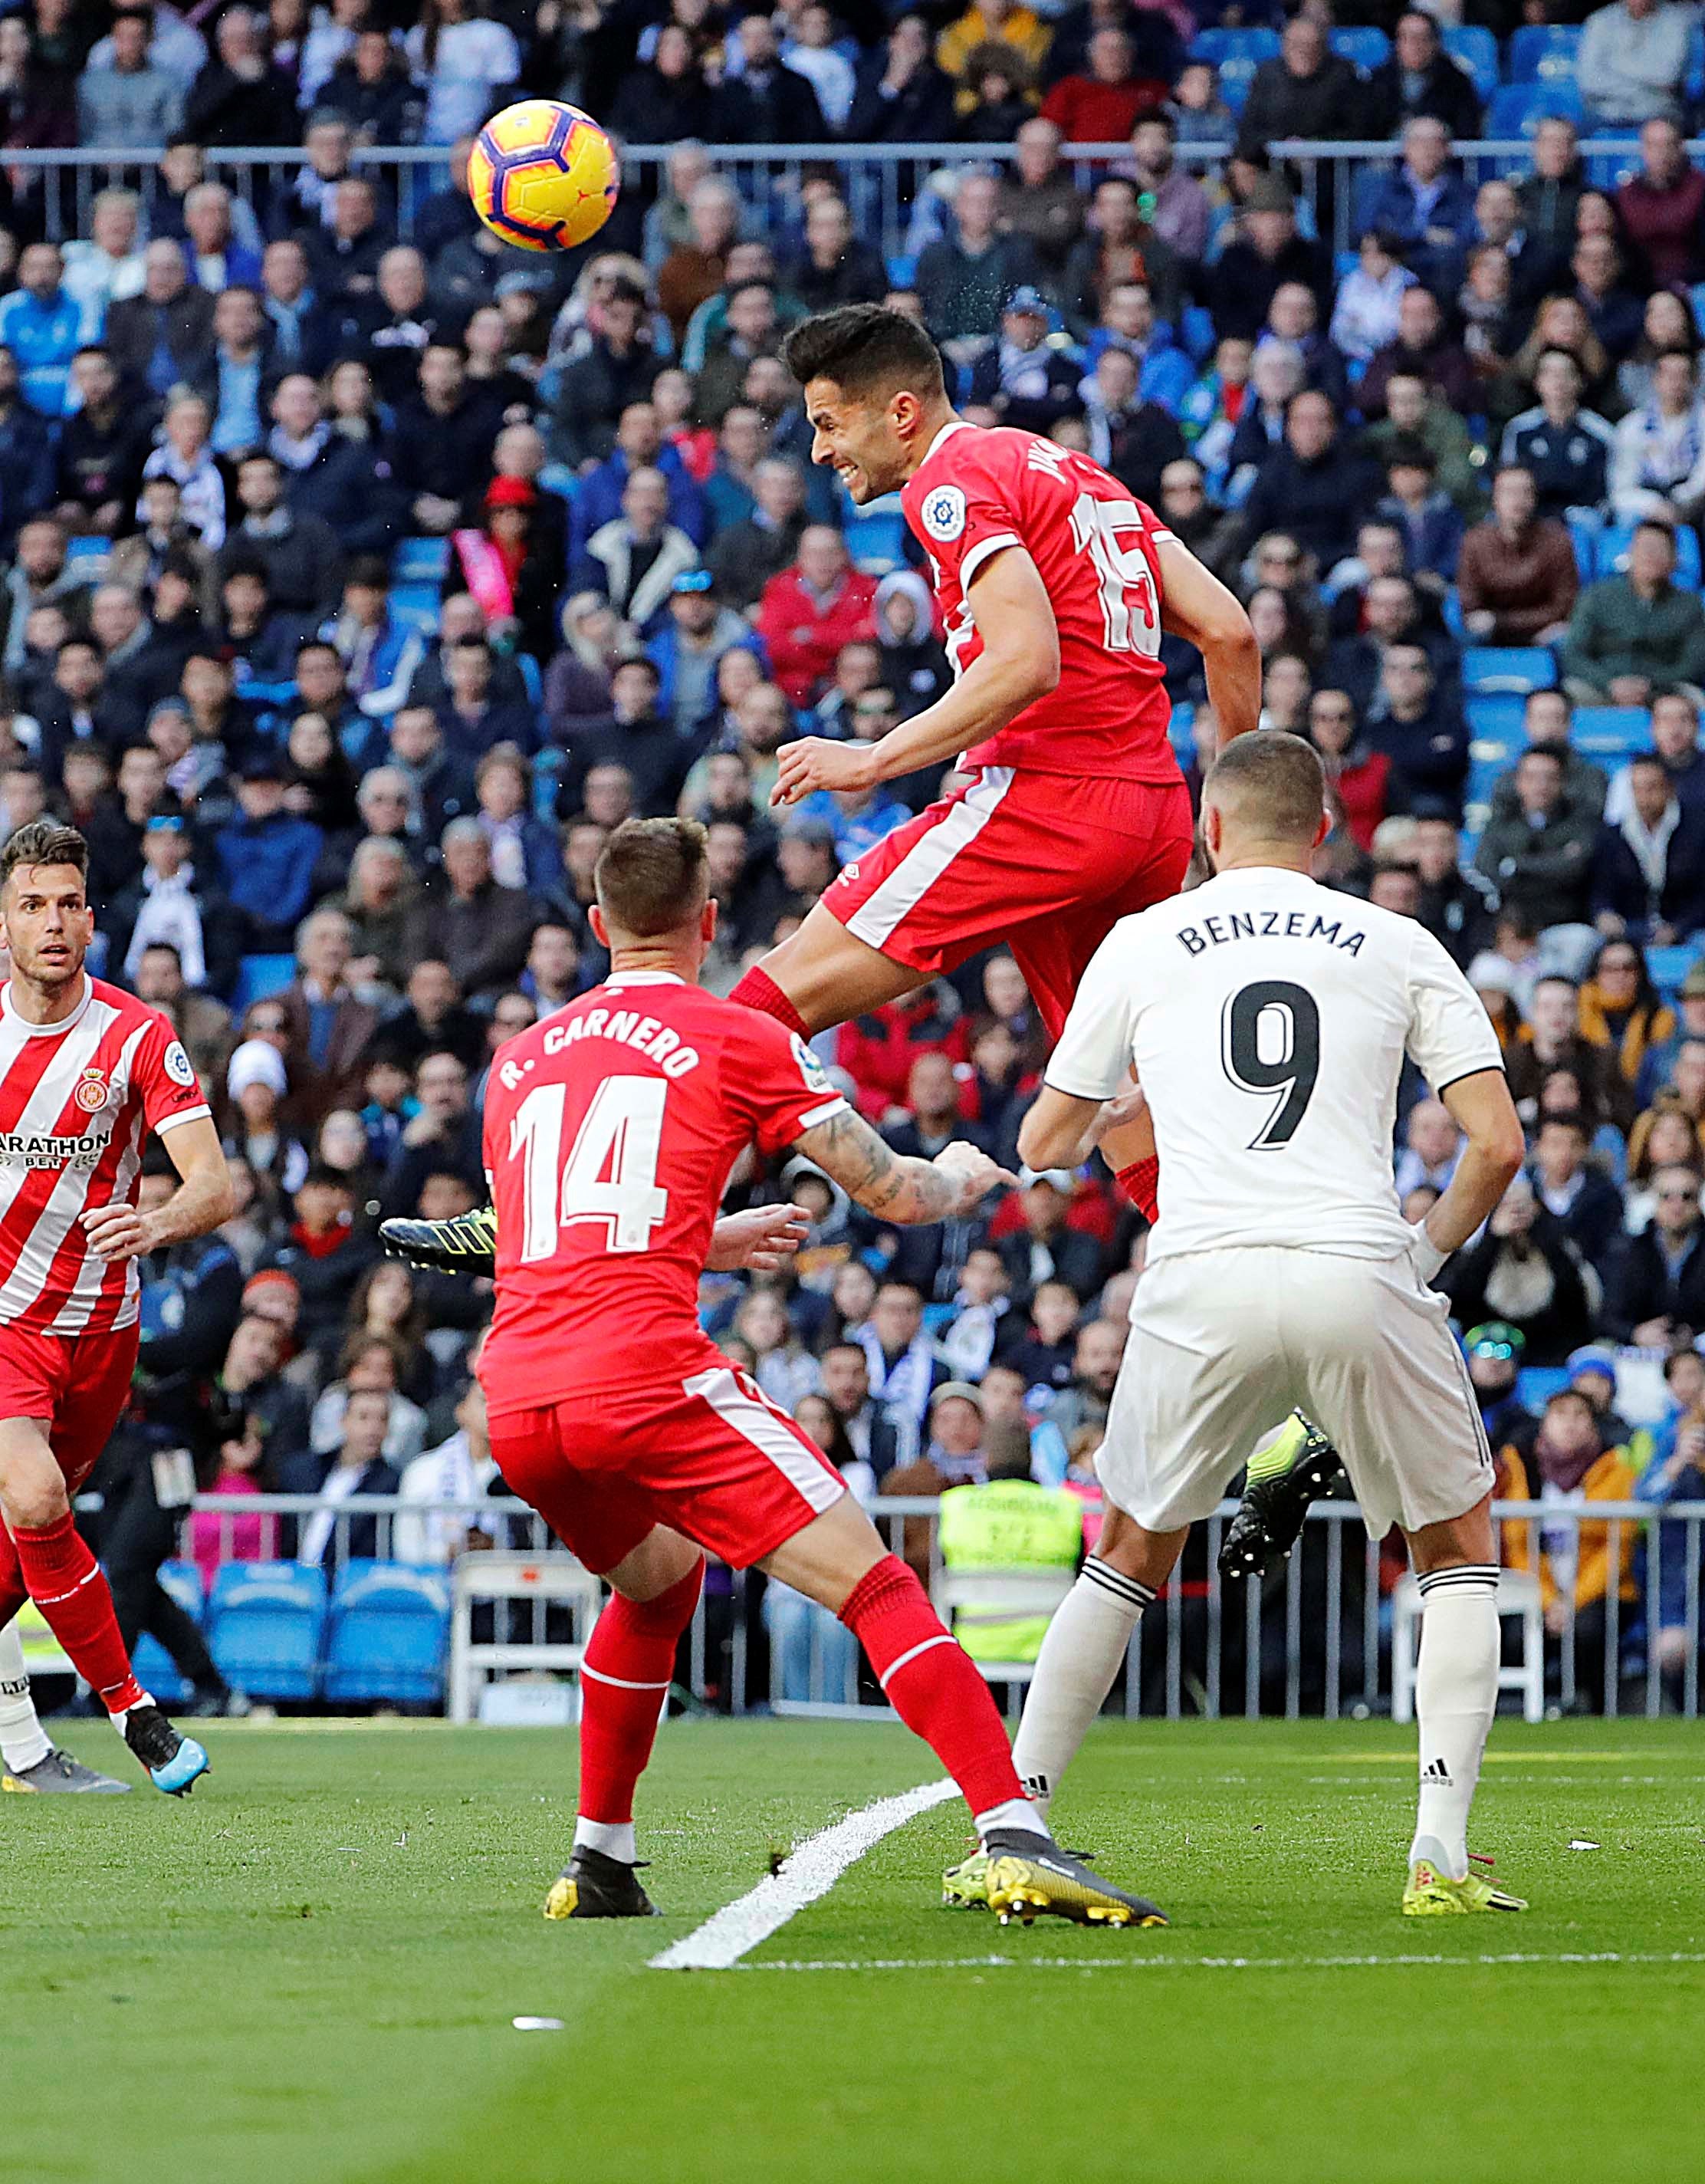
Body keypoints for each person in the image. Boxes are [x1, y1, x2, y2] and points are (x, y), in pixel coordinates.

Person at [410, 814, 1161, 1927]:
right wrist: (957, 1173)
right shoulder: (732, 1033)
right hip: (645, 1375)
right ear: (710, 923)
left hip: (517, 1396)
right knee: (877, 1582)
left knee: (658, 1584)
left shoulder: (520, 1061)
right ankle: (1013, 1830)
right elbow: (894, 1194)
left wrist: (703, 1239)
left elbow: (548, 1232)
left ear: (596, 923)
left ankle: (601, 1857)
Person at [988, 732, 1529, 1917]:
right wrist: (1423, 1265)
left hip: (1201, 1270)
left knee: (1128, 1548)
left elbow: (1042, 1147)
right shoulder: (1397, 939)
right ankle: (1438, 1850)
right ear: (1327, 834)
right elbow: (1496, 1145)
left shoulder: (1141, 942)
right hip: (1355, 1261)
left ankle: (1018, 1814)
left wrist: (1129, 1118)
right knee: (1457, 1547)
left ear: (1210, 834)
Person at [731, 304, 1257, 1061]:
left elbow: (1025, 661)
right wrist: (1228, 816)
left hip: (1046, 802)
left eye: (829, 423)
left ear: (901, 412)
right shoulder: (1070, 470)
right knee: (1123, 1091)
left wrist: (873, 758)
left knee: (760, 1006)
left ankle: (647, 1178)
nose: (818, 450)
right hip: (1152, 815)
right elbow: (1229, 631)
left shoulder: (947, 479)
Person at [0, 820, 230, 1794]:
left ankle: (22, 1750)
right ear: (4, 921)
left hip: (101, 1334)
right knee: (37, 1499)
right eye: (31, 905)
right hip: (7, 1322)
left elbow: (214, 1185)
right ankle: (137, 1714)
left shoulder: (138, 1035)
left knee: (20, 1555)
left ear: (91, 917)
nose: (52, 924)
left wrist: (160, 1224)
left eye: (66, 904)